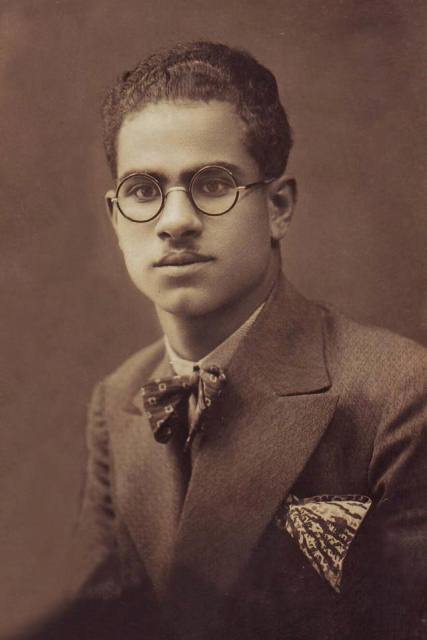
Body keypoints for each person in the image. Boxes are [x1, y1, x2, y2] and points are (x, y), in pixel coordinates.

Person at [39, 41, 427, 640]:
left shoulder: (396, 393)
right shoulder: (117, 400)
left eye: (213, 184)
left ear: (278, 208)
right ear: (116, 218)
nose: (175, 221)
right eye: (143, 190)